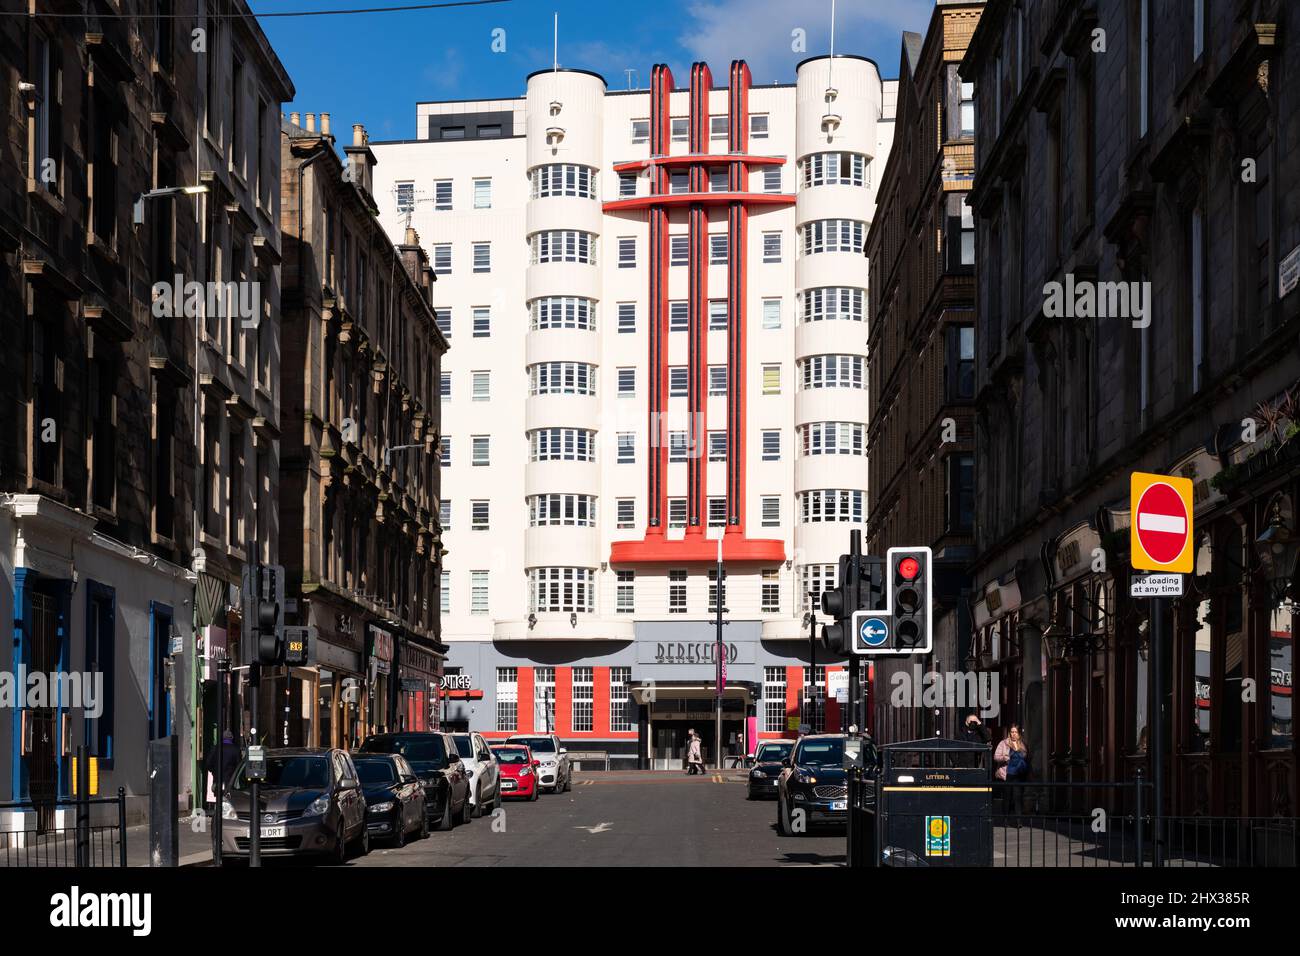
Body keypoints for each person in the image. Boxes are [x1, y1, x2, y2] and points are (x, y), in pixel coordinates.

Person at [994, 724, 1030, 819]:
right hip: (1007, 774)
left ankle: (1019, 821)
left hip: (1019, 775)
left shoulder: (1022, 744)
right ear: (1009, 733)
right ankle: (1006, 819)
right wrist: (1005, 758)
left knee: (1018, 798)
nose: (1014, 734)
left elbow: (1027, 758)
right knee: (1007, 798)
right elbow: (996, 757)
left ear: (1019, 734)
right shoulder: (1003, 743)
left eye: (1016, 732)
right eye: (1012, 732)